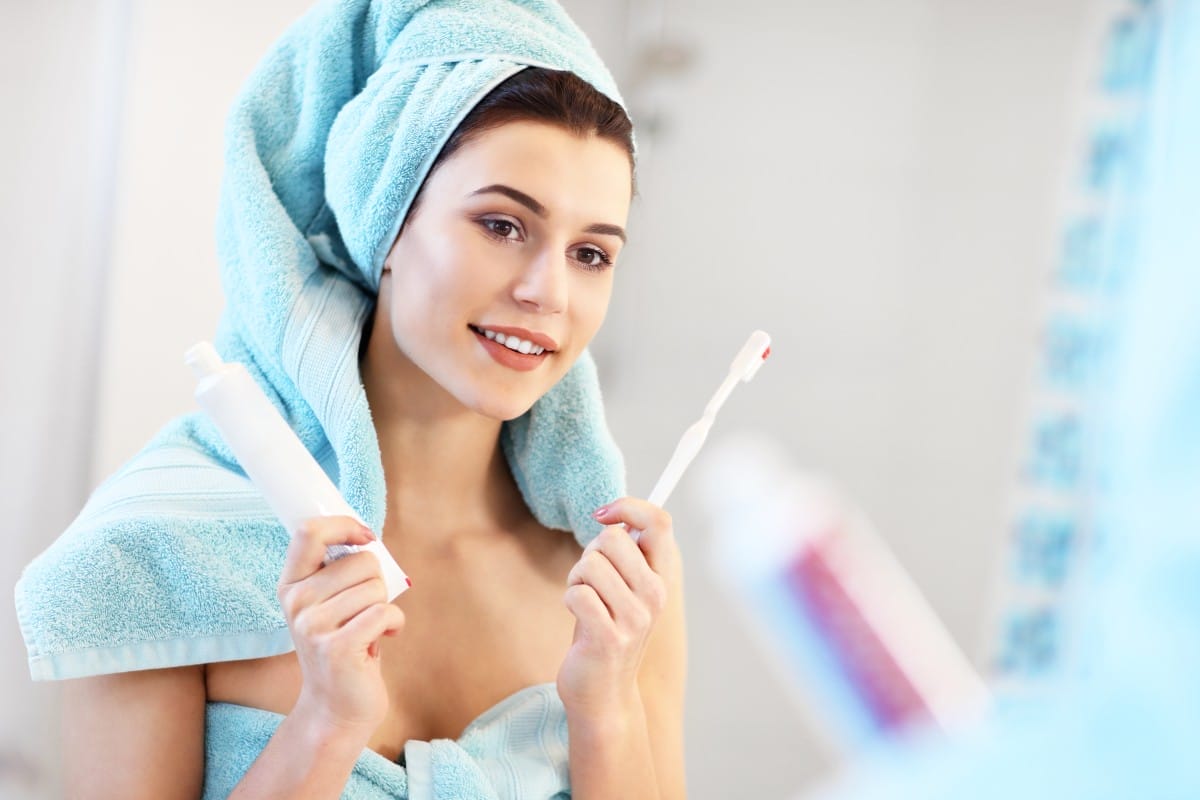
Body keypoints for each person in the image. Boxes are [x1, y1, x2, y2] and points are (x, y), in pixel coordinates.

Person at [17, 2, 685, 798]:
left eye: (590, 253)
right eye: (502, 224)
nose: (549, 292)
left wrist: (605, 709)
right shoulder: (162, 550)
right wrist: (325, 723)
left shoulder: (611, 577)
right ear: (388, 220)